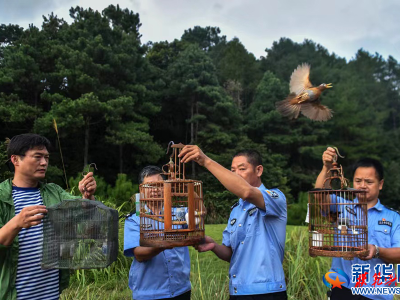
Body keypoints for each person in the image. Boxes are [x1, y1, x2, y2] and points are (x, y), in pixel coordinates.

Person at [179, 146, 288, 300]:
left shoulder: (276, 198)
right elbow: (231, 254)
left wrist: (206, 161)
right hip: (238, 291)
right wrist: (214, 246)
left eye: (242, 169)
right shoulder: (236, 210)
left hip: (267, 292)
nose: (236, 174)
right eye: (232, 170)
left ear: (258, 171)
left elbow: (247, 192)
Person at [0, 133, 97, 300]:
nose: (44, 162)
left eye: (46, 157)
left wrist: (87, 196)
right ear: (15, 160)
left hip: (51, 295)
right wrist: (16, 223)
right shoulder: (2, 196)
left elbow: (84, 212)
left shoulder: (54, 191)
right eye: (37, 157)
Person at [316, 147, 400, 300]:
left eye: (369, 182)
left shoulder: (394, 218)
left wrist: (377, 251)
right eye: (358, 181)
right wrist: (326, 167)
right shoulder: (341, 206)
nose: (362, 186)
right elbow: (320, 197)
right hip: (342, 289)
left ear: (380, 184)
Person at [123, 165, 191, 300]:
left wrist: (188, 189)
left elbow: (199, 215)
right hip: (149, 293)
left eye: (159, 185)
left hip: (180, 289)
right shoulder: (134, 219)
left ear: (166, 187)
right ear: (141, 189)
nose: (154, 189)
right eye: (149, 186)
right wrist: (164, 244)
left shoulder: (179, 213)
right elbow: (139, 254)